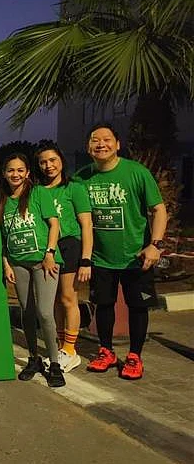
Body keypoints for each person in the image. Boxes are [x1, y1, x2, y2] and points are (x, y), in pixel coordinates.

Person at [74, 124, 167, 380]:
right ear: (88, 147)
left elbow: (158, 210)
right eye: (95, 140)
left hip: (136, 257)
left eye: (106, 140)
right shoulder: (81, 178)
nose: (100, 144)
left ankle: (135, 356)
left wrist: (155, 245)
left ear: (117, 144)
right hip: (100, 258)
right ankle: (106, 351)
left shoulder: (137, 173)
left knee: (138, 306)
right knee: (103, 305)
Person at [0, 153, 66, 388]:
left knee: (45, 313)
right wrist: (6, 264)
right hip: (18, 263)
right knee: (26, 312)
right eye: (10, 170)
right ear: (4, 174)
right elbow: (3, 238)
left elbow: (54, 224)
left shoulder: (38, 193)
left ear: (27, 173)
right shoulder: (3, 201)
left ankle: (55, 363)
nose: (15, 174)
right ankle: (33, 359)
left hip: (43, 262)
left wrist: (50, 253)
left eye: (19, 170)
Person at [35, 142, 93, 373]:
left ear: (61, 161)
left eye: (53, 160)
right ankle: (61, 346)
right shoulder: (38, 191)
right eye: (43, 162)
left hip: (70, 245)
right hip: (48, 248)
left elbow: (86, 224)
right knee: (55, 300)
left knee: (69, 297)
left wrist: (86, 258)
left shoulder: (74, 188)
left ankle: (71, 350)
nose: (49, 166)